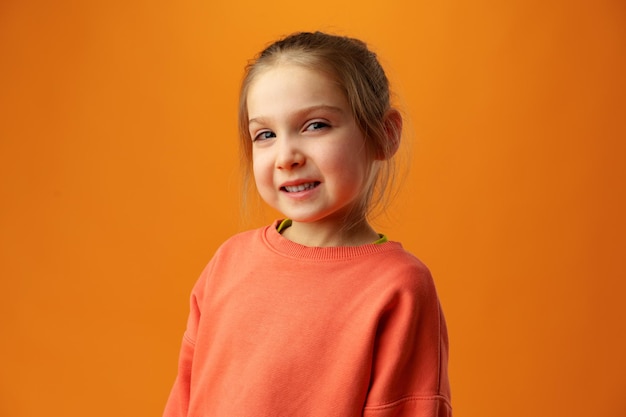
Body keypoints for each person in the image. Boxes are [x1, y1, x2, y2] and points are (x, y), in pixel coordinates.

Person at [163, 31, 452, 417]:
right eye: (265, 134)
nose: (286, 156)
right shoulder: (228, 262)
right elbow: (184, 398)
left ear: (384, 134)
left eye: (315, 125)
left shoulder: (399, 287)